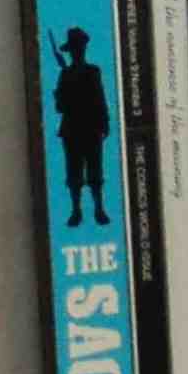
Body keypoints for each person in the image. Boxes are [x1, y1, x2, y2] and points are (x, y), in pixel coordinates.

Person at [51, 26, 111, 227]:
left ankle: (99, 209)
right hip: (72, 129)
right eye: (76, 48)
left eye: (80, 47)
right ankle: (76, 211)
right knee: (74, 172)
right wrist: (59, 94)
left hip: (91, 128)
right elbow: (60, 107)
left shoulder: (93, 71)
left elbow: (100, 98)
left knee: (95, 172)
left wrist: (105, 122)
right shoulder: (65, 74)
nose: (79, 51)